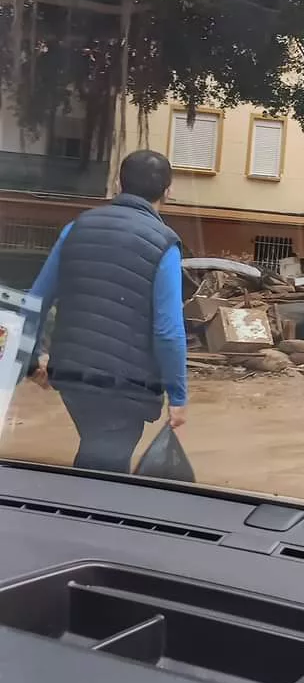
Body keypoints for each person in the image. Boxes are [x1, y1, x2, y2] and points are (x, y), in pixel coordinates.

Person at [27, 149, 187, 473]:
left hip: (70, 377)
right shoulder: (165, 244)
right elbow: (168, 331)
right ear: (168, 190)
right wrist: (178, 395)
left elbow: (35, 301)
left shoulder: (76, 228)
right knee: (102, 473)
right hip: (125, 385)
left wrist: (30, 363)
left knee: (95, 452)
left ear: (118, 183)